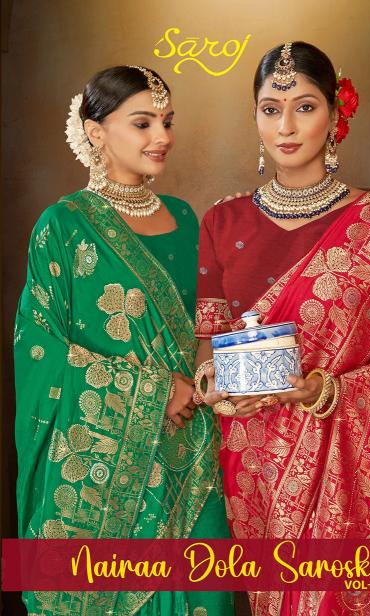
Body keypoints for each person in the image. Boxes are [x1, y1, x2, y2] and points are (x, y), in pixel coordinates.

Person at [194, 42, 370, 615]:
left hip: (354, 465)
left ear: (335, 115)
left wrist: (329, 389)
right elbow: (207, 349)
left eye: (304, 107)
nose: (285, 126)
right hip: (256, 464)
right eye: (270, 109)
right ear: (255, 116)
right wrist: (214, 386)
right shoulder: (221, 221)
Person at [14, 65, 234, 615]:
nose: (162, 137)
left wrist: (206, 378)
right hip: (104, 465)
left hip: (193, 457)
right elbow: (39, 350)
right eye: (142, 123)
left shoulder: (186, 220)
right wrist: (153, 390)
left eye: (167, 121)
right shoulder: (63, 226)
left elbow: (210, 326)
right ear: (96, 131)